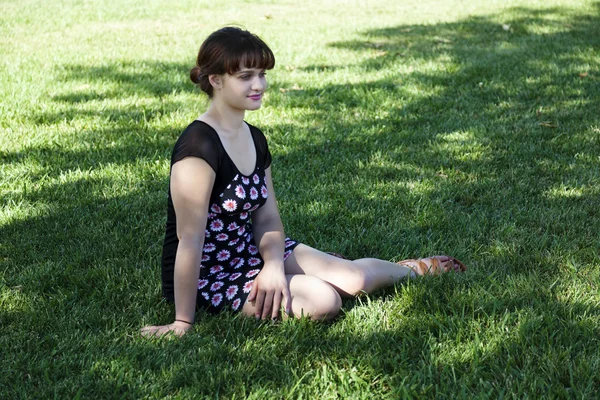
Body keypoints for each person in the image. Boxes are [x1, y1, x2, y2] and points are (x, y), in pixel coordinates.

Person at [141, 27, 466, 338]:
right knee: (325, 301)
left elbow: (266, 218)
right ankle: (314, 273)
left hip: (252, 251)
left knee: (354, 278)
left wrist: (271, 266)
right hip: (209, 274)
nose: (259, 85)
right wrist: (182, 321)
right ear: (216, 80)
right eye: (245, 77)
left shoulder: (254, 137)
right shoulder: (199, 146)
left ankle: (411, 270)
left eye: (262, 74)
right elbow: (190, 238)